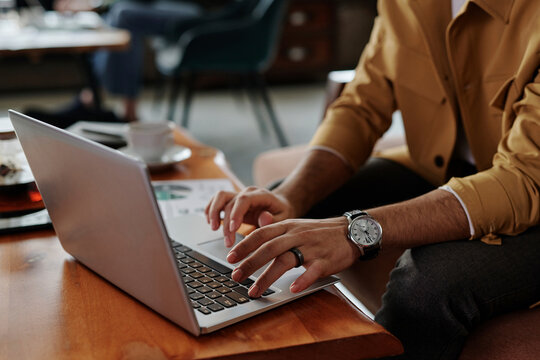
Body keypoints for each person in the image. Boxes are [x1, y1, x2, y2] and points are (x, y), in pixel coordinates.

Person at [204, 0, 540, 359]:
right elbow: (363, 104)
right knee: (281, 217)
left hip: (527, 190)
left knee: (424, 287)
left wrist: (355, 231)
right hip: (444, 169)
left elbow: (522, 178)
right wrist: (292, 195)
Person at [27, 0, 251, 126]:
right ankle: (97, 102)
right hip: (168, 6)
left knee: (124, 15)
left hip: (207, 12)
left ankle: (114, 110)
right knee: (116, 15)